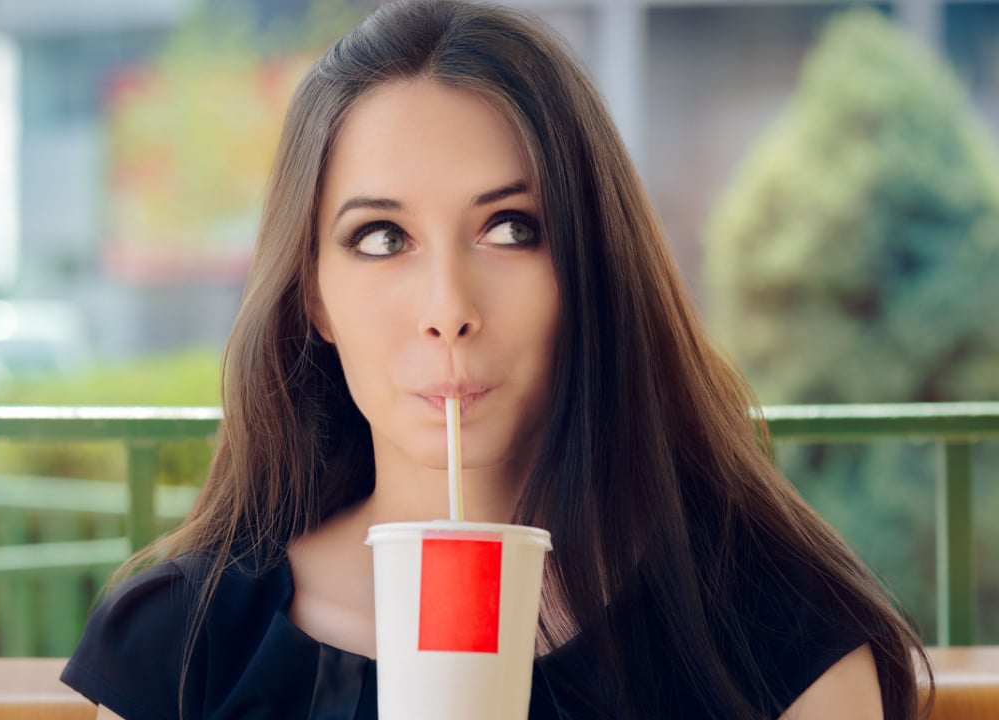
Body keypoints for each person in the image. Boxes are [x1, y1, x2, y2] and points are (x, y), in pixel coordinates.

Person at [61, 1, 931, 718]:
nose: (449, 310)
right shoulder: (183, 647)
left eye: (511, 228)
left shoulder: (772, 637)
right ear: (312, 296)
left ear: (591, 266)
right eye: (381, 237)